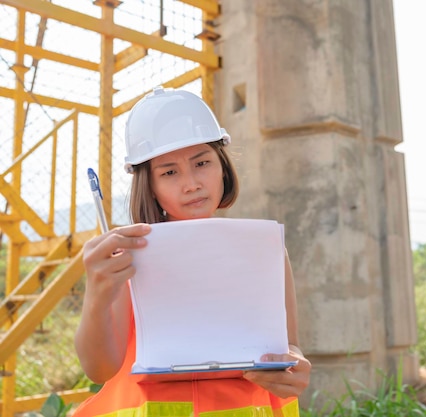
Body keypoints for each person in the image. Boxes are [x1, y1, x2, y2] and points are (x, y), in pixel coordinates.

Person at [73, 86, 311, 417]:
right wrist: (97, 295)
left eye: (202, 163)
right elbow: (99, 370)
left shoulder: (264, 249)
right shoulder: (127, 257)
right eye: (169, 172)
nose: (191, 183)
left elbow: (289, 347)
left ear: (223, 167)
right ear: (150, 187)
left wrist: (294, 366)